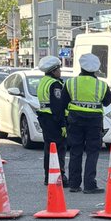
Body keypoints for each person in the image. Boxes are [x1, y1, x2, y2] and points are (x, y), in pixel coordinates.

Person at [65, 52, 111, 193]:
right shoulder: (101, 85)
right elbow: (107, 101)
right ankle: (89, 185)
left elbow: (63, 101)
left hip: (75, 121)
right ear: (96, 69)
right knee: (92, 153)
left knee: (75, 152)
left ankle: (74, 184)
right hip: (94, 122)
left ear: (81, 66)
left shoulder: (71, 83)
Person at [35, 55, 70, 185]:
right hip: (54, 120)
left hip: (45, 118)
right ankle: (59, 176)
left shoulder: (43, 81)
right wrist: (62, 124)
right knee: (59, 149)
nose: (60, 72)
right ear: (54, 71)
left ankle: (48, 176)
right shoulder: (55, 84)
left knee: (48, 149)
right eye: (59, 69)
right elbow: (58, 106)